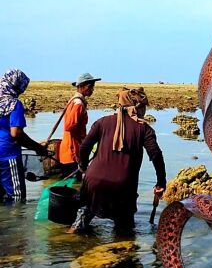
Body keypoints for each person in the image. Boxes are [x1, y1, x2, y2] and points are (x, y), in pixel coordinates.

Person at [68, 87, 166, 233]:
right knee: (125, 234)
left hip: (93, 181)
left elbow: (84, 148)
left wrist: (83, 167)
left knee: (80, 223)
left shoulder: (102, 122)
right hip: (123, 186)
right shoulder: (144, 129)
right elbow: (156, 154)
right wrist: (160, 182)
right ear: (138, 107)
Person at [0, 69, 49, 202]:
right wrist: (38, 147)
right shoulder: (14, 104)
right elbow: (16, 133)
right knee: (17, 198)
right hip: (7, 157)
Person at [59, 73, 101, 178]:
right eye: (90, 87)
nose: (92, 90)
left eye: (93, 87)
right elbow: (69, 126)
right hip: (72, 151)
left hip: (71, 149)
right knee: (74, 186)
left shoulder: (76, 101)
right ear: (81, 86)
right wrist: (85, 139)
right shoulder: (78, 103)